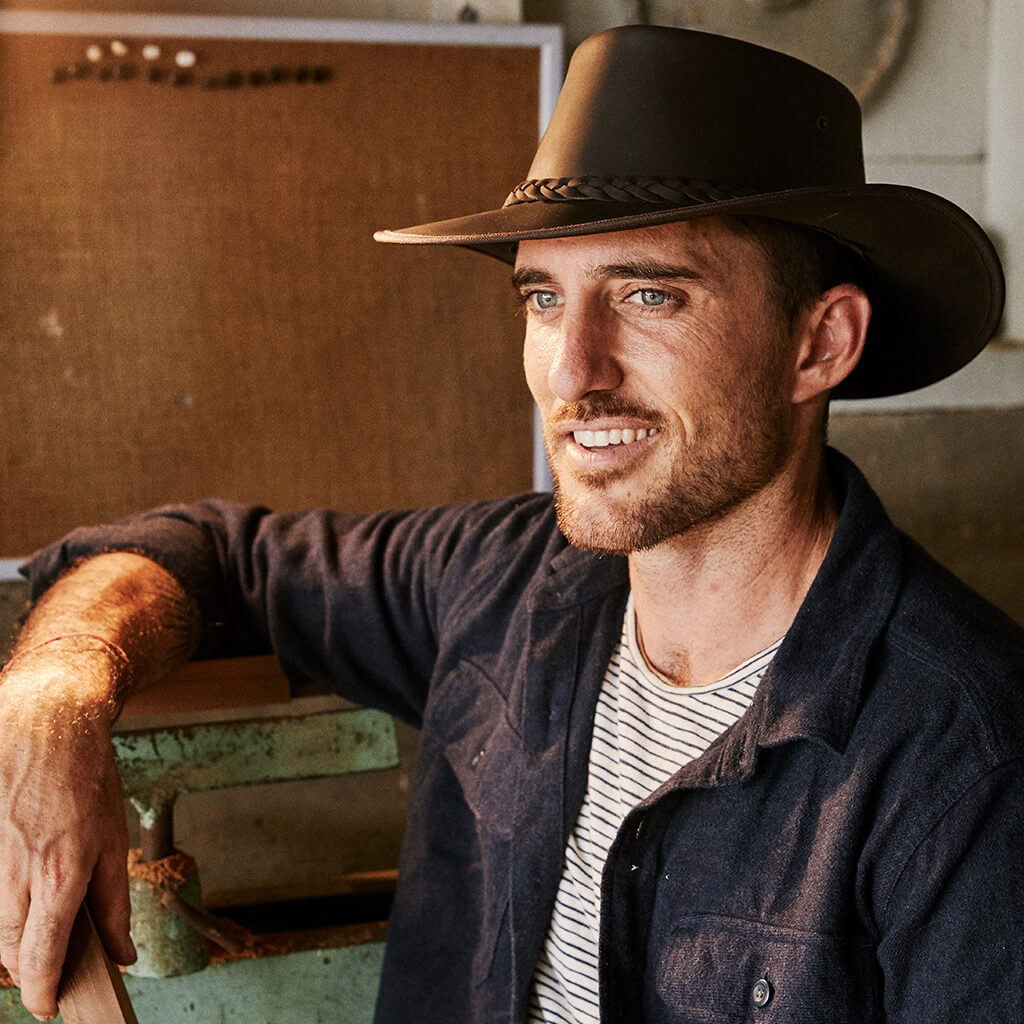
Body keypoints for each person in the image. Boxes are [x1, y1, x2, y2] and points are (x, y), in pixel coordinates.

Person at [1, 24, 1021, 1024]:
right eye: (543, 299)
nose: (574, 371)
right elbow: (218, 555)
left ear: (819, 343)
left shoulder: (967, 756)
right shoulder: (502, 578)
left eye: (649, 295)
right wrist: (53, 703)